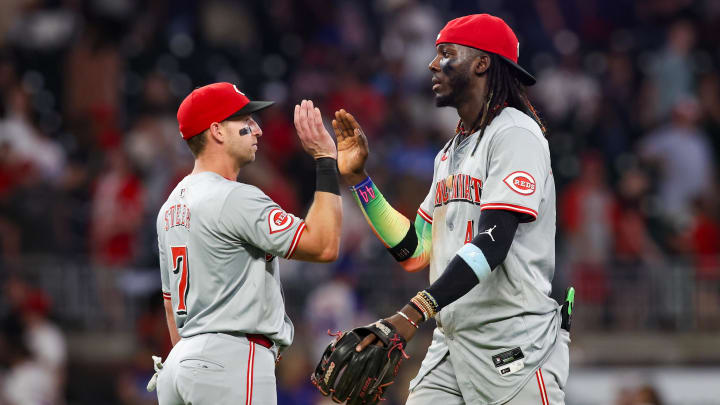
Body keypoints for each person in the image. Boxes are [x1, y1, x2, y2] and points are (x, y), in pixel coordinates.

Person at [332, 14, 570, 404]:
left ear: (482, 62)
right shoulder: (449, 152)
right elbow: (414, 250)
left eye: (445, 53)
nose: (432, 64)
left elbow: (492, 244)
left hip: (512, 341)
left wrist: (413, 312)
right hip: (452, 339)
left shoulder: (515, 133)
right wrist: (360, 180)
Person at [153, 82, 342, 405]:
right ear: (217, 131)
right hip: (229, 358)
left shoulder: (170, 207)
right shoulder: (234, 197)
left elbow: (171, 305)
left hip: (179, 364)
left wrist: (193, 364)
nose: (257, 130)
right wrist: (326, 159)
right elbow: (324, 245)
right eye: (245, 121)